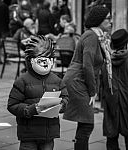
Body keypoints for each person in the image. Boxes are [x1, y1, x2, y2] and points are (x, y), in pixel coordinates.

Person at [62, 5, 112, 150]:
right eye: (108, 19)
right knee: (87, 124)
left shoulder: (98, 37)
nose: (110, 22)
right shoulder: (91, 36)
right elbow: (87, 65)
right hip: (78, 81)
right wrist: (92, 91)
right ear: (99, 20)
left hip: (80, 80)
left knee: (85, 123)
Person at [7, 35, 69, 150]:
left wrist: (61, 106)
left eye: (49, 60)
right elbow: (12, 105)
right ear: (31, 61)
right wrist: (30, 109)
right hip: (29, 134)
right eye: (41, 60)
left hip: (48, 134)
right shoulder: (22, 81)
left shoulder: (57, 80)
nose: (45, 64)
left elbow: (66, 97)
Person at [102, 28, 128, 150]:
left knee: (111, 137)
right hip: (126, 101)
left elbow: (103, 85)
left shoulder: (107, 62)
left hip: (111, 102)